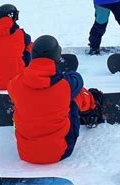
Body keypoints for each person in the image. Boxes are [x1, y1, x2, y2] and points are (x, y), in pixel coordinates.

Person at [8, 35, 103, 164]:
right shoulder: (65, 85)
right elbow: (78, 80)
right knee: (77, 95)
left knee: (23, 101)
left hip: (25, 153)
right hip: (60, 152)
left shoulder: (15, 83)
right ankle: (92, 109)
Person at [0, 4, 33, 90]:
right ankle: (35, 67)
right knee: (30, 45)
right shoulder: (20, 34)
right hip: (19, 82)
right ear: (13, 17)